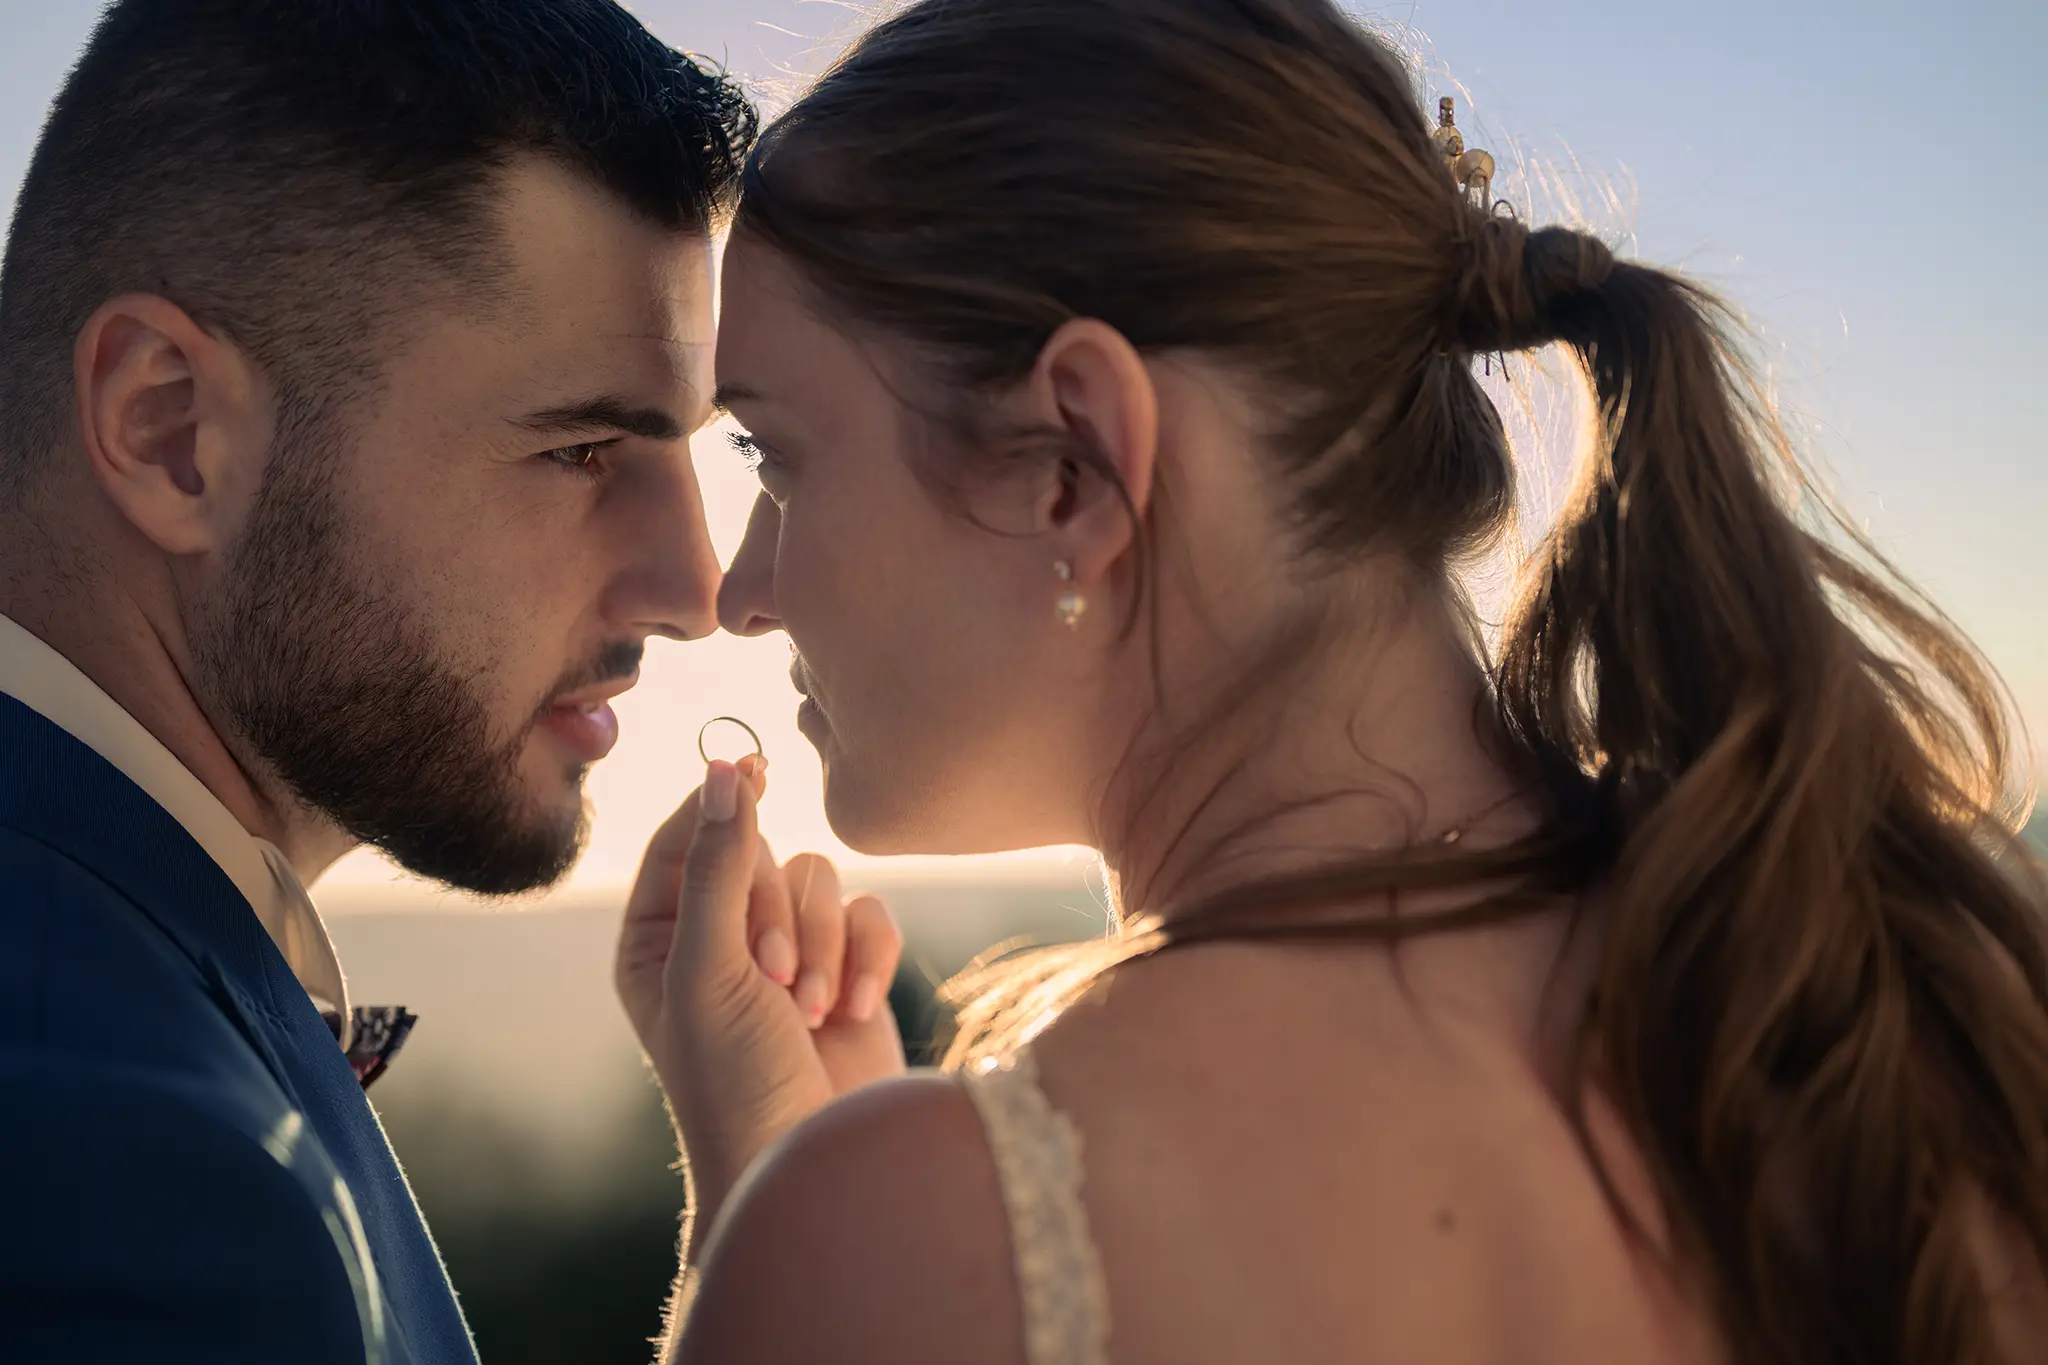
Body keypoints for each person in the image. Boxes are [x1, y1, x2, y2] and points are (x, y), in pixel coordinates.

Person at [616, 0, 2048, 1361]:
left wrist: (786, 1211)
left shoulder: (907, 1245)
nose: (739, 593)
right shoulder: (1916, 995)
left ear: (1075, 471)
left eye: (773, 458)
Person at [0, 4, 900, 1362]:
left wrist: (771, 1220)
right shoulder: (136, 1166)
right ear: (169, 429)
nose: (698, 589)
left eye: (709, 455)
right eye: (584, 451)